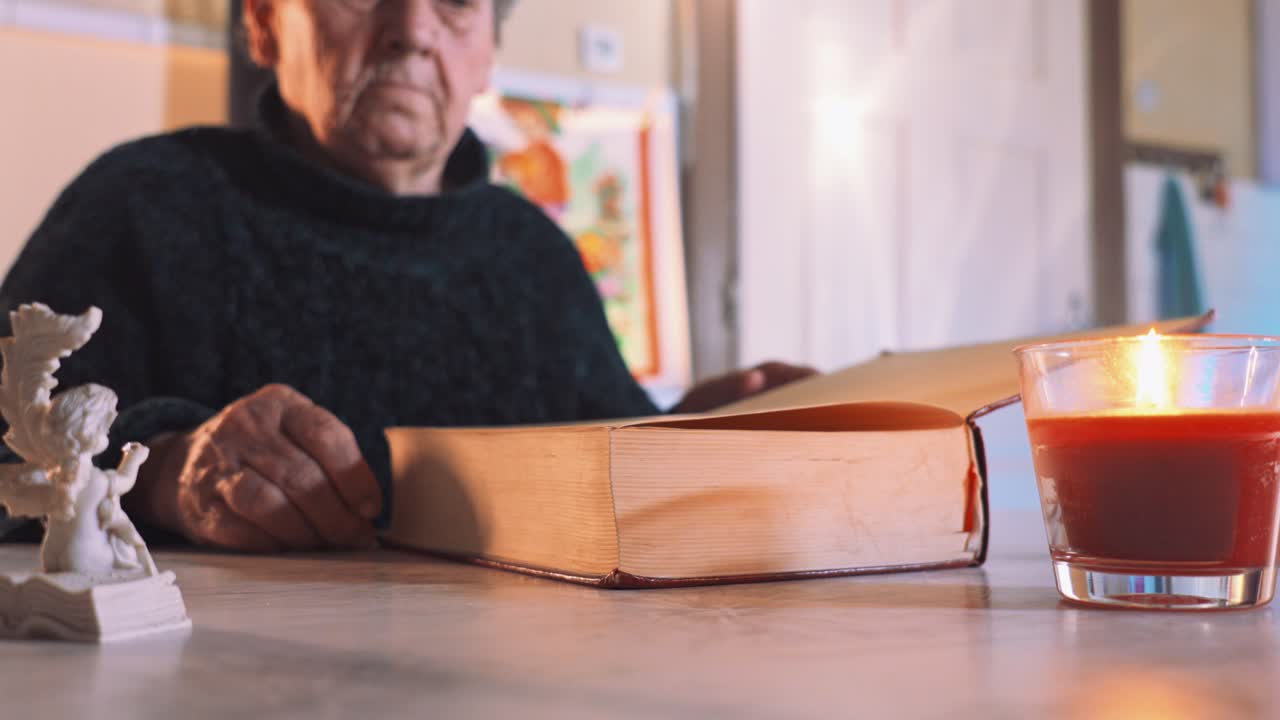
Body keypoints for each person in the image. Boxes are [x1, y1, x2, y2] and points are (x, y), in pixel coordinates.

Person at [0, 0, 813, 553]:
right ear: (263, 23)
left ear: (488, 52)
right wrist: (166, 473)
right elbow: (10, 458)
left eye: (458, 1)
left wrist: (680, 437)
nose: (412, 31)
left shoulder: (532, 253)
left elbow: (601, 468)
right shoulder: (144, 202)